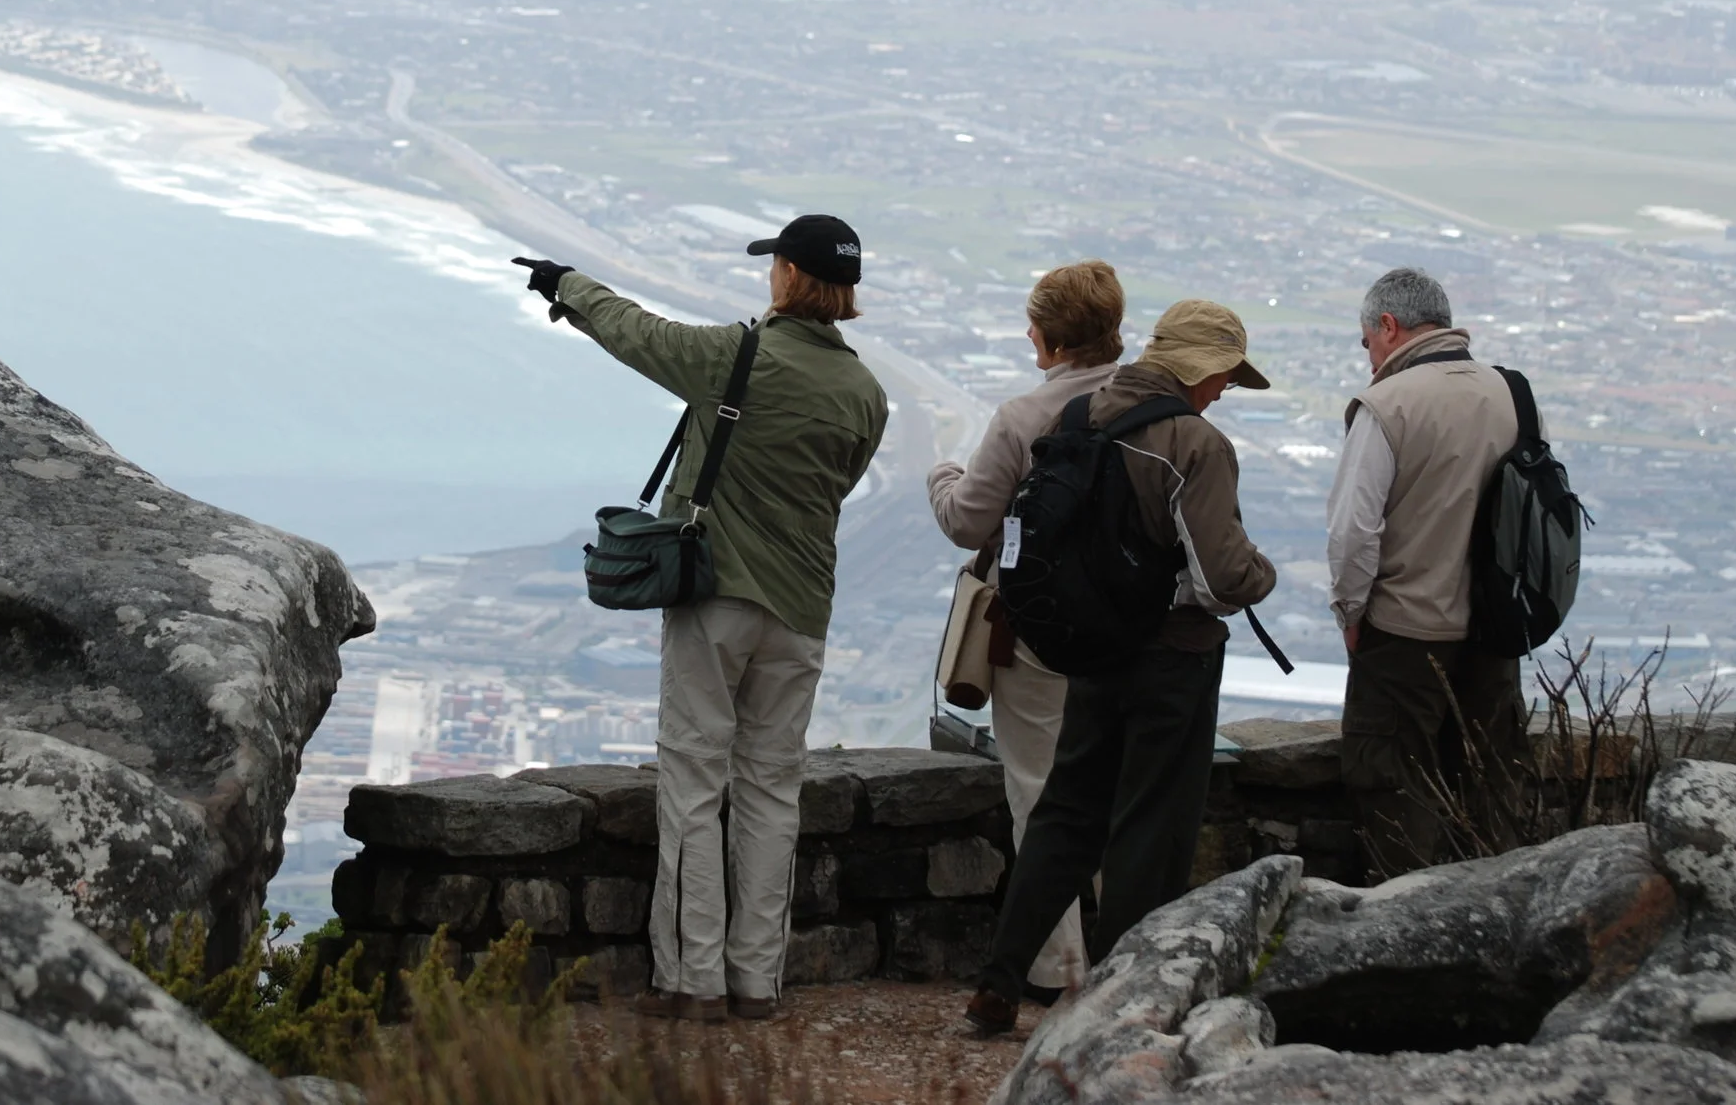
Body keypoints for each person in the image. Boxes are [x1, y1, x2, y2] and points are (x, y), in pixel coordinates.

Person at [511, 214, 887, 1023]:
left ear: (788, 275)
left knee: (693, 780)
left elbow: (638, 335)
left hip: (717, 598)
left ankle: (692, 981)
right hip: (803, 611)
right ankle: (758, 983)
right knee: (771, 792)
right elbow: (837, 487)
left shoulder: (739, 359)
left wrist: (565, 283)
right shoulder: (867, 395)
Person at [965, 299, 1279, 1035]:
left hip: (1090, 648)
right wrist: (1264, 574)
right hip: (1173, 656)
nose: (1223, 392)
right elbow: (1222, 575)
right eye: (1225, 378)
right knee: (1151, 828)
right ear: (1201, 368)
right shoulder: (1193, 443)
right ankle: (1125, 1003)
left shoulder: (1077, 418)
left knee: (1066, 815)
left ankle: (998, 982)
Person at [925, 260, 1129, 1005]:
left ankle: (1057, 967)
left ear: (1044, 340)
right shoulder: (1152, 404)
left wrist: (941, 474)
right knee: (1115, 790)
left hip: (1037, 630)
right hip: (1128, 630)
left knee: (1040, 792)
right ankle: (1131, 953)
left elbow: (966, 522)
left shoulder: (1022, 417)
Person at [1329, 266, 1528, 878]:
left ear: (1388, 327)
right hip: (1495, 637)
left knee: (1395, 801)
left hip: (1405, 640)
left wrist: (1352, 616)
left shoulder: (1387, 405)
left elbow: (1353, 533)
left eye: (1367, 343)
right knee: (1491, 797)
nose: (1368, 360)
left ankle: (1405, 948)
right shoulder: (1513, 393)